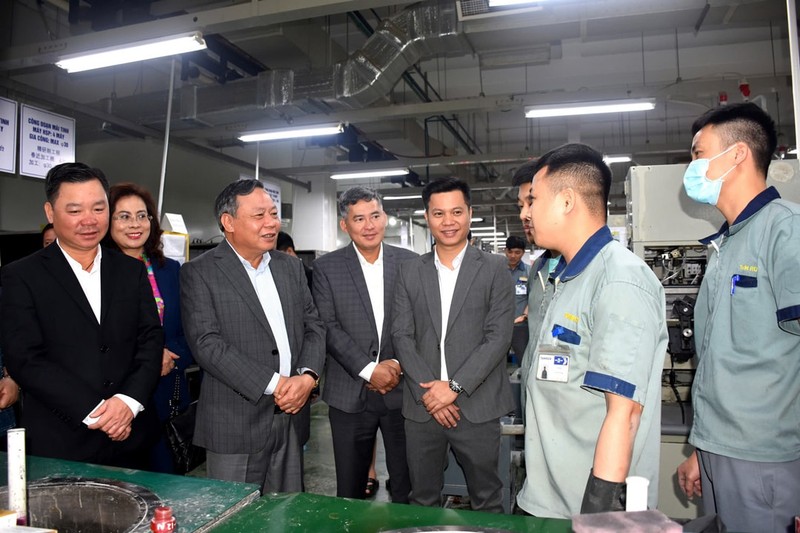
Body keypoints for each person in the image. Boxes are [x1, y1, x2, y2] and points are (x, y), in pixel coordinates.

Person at [516, 144, 667, 518]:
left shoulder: (619, 281)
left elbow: (624, 415)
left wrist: (598, 518)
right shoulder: (562, 277)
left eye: (533, 199)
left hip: (587, 509)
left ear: (566, 201)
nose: (526, 211)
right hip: (546, 497)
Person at [675, 103, 800, 533]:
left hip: (765, 456)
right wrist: (701, 449)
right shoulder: (727, 244)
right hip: (719, 449)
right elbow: (721, 356)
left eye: (698, 152)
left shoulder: (786, 230)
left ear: (737, 155)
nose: (691, 165)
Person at [0, 162, 163, 468]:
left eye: (98, 208)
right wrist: (97, 412)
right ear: (50, 213)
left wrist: (127, 403)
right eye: (75, 210)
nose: (89, 220)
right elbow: (25, 357)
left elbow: (150, 339)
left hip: (132, 437)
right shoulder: (21, 276)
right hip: (61, 441)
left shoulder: (131, 271)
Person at [180, 179, 325, 494]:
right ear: (228, 222)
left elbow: (313, 324)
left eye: (274, 214)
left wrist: (307, 376)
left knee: (288, 513)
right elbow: (207, 344)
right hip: (235, 423)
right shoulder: (201, 272)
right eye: (259, 215)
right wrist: (278, 384)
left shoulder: (290, 267)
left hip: (291, 414)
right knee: (237, 518)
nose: (272, 223)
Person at [392, 177, 515, 513]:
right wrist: (432, 395)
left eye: (457, 212)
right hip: (422, 406)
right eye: (439, 213)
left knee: (487, 497)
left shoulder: (494, 268)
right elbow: (401, 335)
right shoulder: (409, 272)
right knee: (421, 499)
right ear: (427, 217)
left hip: (476, 406)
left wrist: (455, 388)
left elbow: (498, 337)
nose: (448, 221)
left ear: (470, 213)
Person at [312, 186, 416, 503]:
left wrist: (395, 365)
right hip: (349, 395)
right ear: (345, 225)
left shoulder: (410, 263)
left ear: (385, 217)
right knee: (350, 489)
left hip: (403, 393)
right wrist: (370, 370)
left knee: (407, 486)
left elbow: (418, 322)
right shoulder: (327, 268)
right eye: (359, 219)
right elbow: (327, 326)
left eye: (375, 216)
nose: (369, 225)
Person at [103, 183, 195, 474]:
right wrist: (147, 360)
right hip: (117, 402)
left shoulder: (170, 271)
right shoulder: (98, 271)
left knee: (167, 484)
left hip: (165, 396)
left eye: (142, 216)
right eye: (124, 216)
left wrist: (170, 354)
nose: (135, 224)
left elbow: (191, 333)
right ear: (107, 221)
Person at [512, 161, 561, 417]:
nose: (524, 214)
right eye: (521, 206)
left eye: (531, 202)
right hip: (538, 405)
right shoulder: (539, 268)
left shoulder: (608, 274)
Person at [505, 235, 530, 361]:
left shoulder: (529, 272)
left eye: (517, 252)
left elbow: (534, 297)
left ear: (523, 253)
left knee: (523, 359)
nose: (513, 256)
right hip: (500, 325)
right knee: (496, 363)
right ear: (505, 250)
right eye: (510, 252)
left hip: (520, 326)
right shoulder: (497, 270)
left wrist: (524, 316)